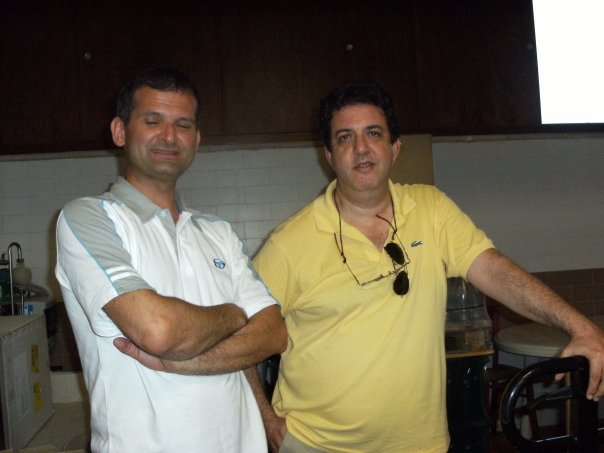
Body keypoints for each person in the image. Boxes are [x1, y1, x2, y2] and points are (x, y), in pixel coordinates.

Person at [247, 81, 604, 453]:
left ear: (394, 148)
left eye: (373, 133)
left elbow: (495, 271)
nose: (361, 148)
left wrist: (581, 327)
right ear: (329, 156)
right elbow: (240, 334)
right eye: (345, 138)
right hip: (315, 444)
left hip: (419, 445)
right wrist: (266, 420)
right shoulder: (289, 242)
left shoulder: (431, 209)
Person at [55, 68, 287, 453]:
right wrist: (234, 316)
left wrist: (188, 361)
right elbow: (158, 331)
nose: (169, 135)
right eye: (153, 121)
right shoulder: (89, 218)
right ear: (119, 131)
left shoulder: (217, 232)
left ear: (197, 139)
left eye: (183, 124)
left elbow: (274, 333)